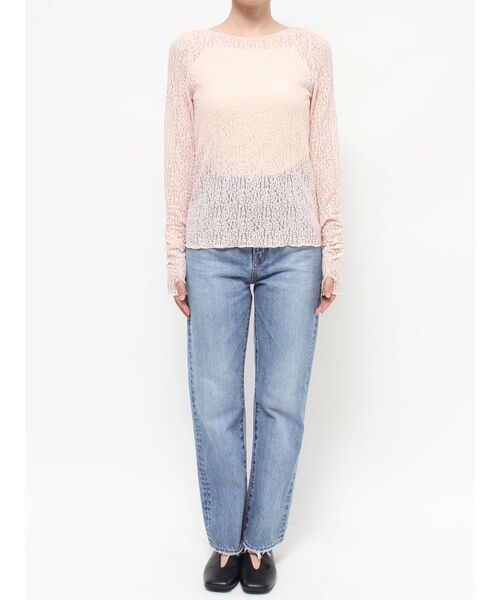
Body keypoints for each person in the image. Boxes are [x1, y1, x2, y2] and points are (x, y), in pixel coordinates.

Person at [164, 0, 342, 593]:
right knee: (216, 404)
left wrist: (333, 247)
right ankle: (224, 541)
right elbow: (179, 157)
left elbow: (325, 151)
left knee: (281, 403)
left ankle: (260, 543)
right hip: (211, 250)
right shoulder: (190, 51)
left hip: (295, 250)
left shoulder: (310, 50)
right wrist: (175, 252)